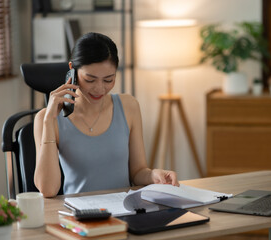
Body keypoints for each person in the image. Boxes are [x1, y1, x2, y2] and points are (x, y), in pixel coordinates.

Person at [34, 32, 179, 197]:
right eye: (90, 80)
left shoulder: (129, 106)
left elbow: (137, 172)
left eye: (108, 80)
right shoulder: (47, 119)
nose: (99, 89)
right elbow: (48, 190)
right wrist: (48, 121)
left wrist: (153, 175)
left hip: (123, 211)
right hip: (78, 216)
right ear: (72, 70)